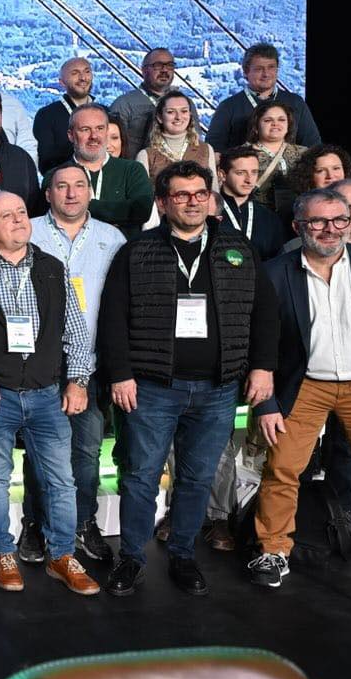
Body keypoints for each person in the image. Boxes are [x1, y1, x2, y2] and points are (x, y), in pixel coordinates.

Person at [98, 160, 278, 597]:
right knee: (141, 477)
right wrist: (120, 374)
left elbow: (265, 313)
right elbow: (113, 318)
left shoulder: (238, 248)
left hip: (218, 389)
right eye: (181, 195)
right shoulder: (137, 251)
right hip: (152, 388)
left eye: (200, 194)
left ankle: (182, 554)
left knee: (197, 479)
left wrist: (262, 366)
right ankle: (132, 557)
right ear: (163, 203)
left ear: (211, 198)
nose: (193, 202)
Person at [249, 188, 351, 588]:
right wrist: (265, 404)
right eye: (318, 221)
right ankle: (273, 550)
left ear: (350, 222)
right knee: (281, 468)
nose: (330, 229)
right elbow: (260, 343)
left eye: (339, 220)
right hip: (303, 385)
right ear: (299, 226)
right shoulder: (273, 272)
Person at [0, 192, 101, 596]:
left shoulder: (53, 268)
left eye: (22, 213)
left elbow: (77, 331)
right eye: (7, 215)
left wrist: (78, 380)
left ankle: (61, 555)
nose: (19, 220)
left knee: (62, 481)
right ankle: (3, 553)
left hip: (47, 395)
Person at [20, 163, 125, 564]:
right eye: (61, 186)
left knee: (86, 451)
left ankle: (83, 522)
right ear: (47, 193)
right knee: (38, 451)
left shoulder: (111, 238)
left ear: (89, 192)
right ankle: (34, 523)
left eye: (79, 185)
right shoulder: (27, 231)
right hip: (38, 363)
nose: (70, 193)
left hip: (90, 364)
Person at [206, 43, 321, 151]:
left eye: (271, 67)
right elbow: (214, 150)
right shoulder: (228, 107)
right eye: (259, 69)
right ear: (245, 72)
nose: (266, 74)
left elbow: (313, 147)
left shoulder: (296, 103)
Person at [67, 103, 153, 238]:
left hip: (124, 249)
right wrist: (120, 212)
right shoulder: (56, 175)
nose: (94, 136)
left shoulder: (132, 170)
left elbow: (141, 211)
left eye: (100, 128)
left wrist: (83, 207)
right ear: (71, 135)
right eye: (85, 129)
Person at [289, 145, 351, 245]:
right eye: (320, 171)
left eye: (336, 168)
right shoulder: (300, 207)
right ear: (309, 176)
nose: (330, 176)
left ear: (345, 171)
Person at [107, 48, 198, 158]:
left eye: (169, 65)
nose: (164, 70)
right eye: (158, 65)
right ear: (144, 70)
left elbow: (196, 140)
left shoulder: (185, 104)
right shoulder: (124, 104)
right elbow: (111, 144)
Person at [136, 92, 217, 190]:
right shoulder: (146, 155)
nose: (178, 117)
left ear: (190, 115)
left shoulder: (206, 149)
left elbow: (214, 192)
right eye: (171, 112)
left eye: (184, 111)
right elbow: (142, 196)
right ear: (160, 117)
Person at [217, 146, 285, 260]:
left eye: (254, 172)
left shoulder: (269, 218)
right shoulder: (208, 214)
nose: (249, 180)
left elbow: (278, 261)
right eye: (240, 173)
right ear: (222, 175)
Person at [33, 57, 95, 174]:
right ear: (62, 82)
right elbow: (45, 165)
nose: (83, 78)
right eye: (75, 73)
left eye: (87, 72)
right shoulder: (46, 116)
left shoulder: (105, 112)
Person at [244, 100, 305, 215]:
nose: (275, 124)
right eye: (268, 120)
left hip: (299, 215)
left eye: (281, 120)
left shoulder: (305, 153)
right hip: (257, 215)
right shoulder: (241, 154)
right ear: (256, 126)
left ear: (289, 125)